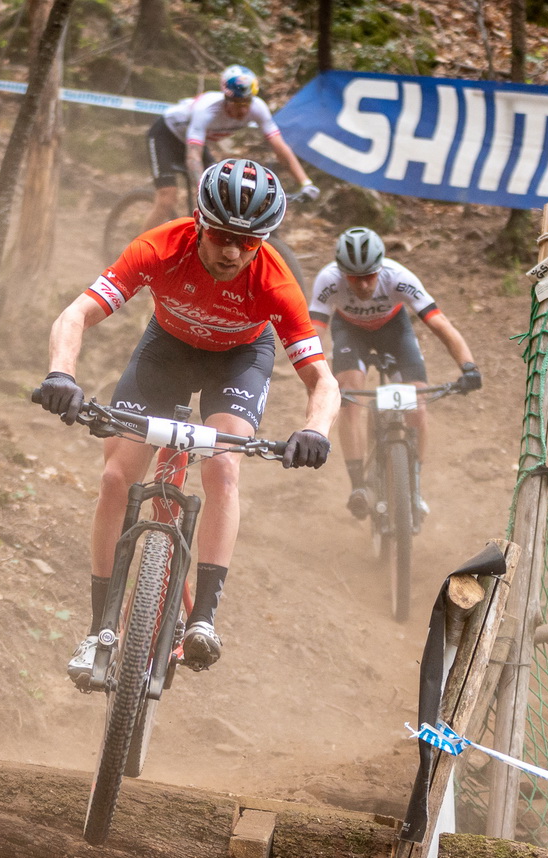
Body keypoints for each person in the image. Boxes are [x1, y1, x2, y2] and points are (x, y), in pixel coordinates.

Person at [39, 158, 338, 683]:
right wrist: (61, 374)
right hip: (166, 352)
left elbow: (323, 382)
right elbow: (76, 314)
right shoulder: (159, 247)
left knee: (222, 468)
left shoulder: (275, 282)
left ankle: (203, 618)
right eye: (222, 234)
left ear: (263, 242)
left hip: (238, 361)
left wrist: (315, 430)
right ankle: (98, 630)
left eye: (248, 243)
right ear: (199, 220)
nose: (231, 251)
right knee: (116, 477)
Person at [308, 227, 480, 520]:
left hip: (394, 330)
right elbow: (313, 336)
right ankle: (358, 487)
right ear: (342, 272)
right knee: (348, 396)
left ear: (380, 269)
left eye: (369, 276)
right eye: (354, 277)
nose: (362, 285)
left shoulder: (399, 277)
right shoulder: (328, 280)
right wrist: (316, 380)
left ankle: (413, 487)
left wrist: (468, 366)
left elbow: (441, 325)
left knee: (417, 405)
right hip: (350, 332)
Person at [141, 65, 318, 232]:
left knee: (222, 194)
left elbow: (280, 148)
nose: (242, 110)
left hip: (196, 144)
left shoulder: (258, 108)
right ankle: (138, 251)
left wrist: (305, 182)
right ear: (226, 98)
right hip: (166, 135)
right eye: (237, 103)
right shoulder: (207, 110)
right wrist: (200, 189)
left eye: (246, 102)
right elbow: (193, 157)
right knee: (167, 198)